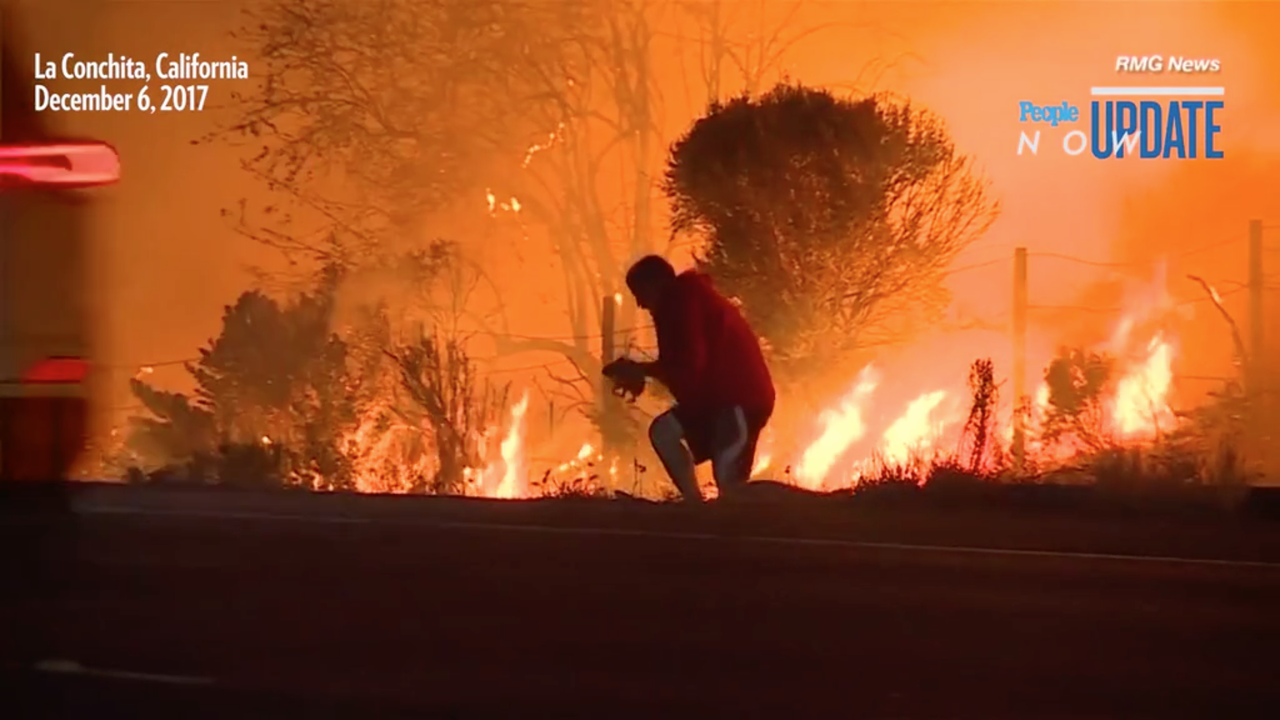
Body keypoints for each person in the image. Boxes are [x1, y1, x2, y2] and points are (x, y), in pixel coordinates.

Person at [605, 255, 775, 502]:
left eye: (639, 293)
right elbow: (684, 367)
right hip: (716, 401)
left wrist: (641, 371)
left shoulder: (681, 302)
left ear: (656, 284)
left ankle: (772, 511)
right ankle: (695, 506)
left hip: (739, 399)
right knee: (664, 432)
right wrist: (643, 371)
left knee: (729, 484)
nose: (640, 304)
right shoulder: (682, 301)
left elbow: (688, 364)